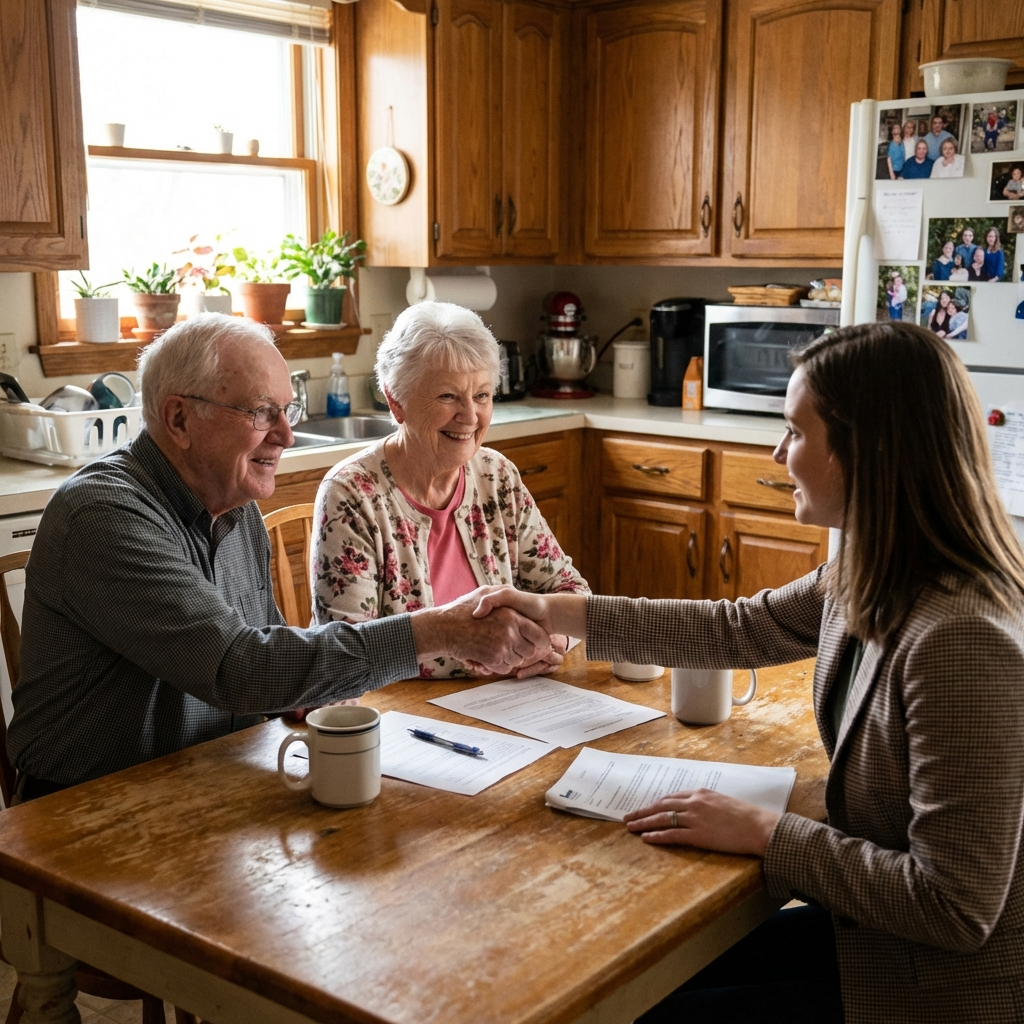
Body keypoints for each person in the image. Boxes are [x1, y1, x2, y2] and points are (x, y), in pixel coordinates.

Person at [474, 321, 1024, 1024]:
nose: (776, 451)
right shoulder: (871, 567)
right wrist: (557, 611)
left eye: (795, 432)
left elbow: (954, 907)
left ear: (868, 452)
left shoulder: (961, 639)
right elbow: (740, 627)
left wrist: (766, 832)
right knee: (647, 983)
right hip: (871, 939)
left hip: (930, 988)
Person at [7, 315, 557, 797]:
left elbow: (272, 666)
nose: (288, 436)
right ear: (179, 420)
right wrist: (439, 630)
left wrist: (306, 689)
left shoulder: (232, 502)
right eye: (263, 412)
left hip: (213, 779)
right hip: (89, 809)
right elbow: (241, 670)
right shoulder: (104, 515)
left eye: (286, 411)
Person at [311, 301, 589, 680]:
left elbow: (571, 591)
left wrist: (549, 644)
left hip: (512, 704)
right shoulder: (351, 494)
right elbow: (348, 651)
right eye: (448, 396)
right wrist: (489, 648)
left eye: (482, 395)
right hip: (404, 717)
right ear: (396, 402)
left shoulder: (497, 476)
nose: (470, 417)